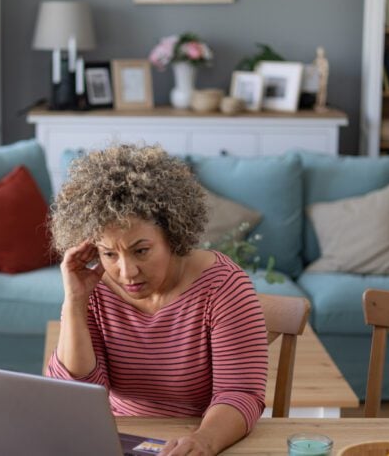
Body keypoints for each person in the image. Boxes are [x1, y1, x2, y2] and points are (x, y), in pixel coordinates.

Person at [47, 145, 268, 456]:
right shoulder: (94, 288)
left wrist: (203, 440)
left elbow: (240, 393)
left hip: (197, 439)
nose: (127, 272)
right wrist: (74, 301)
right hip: (118, 440)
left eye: (141, 251)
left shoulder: (224, 287)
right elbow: (78, 395)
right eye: (109, 254)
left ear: (173, 236)